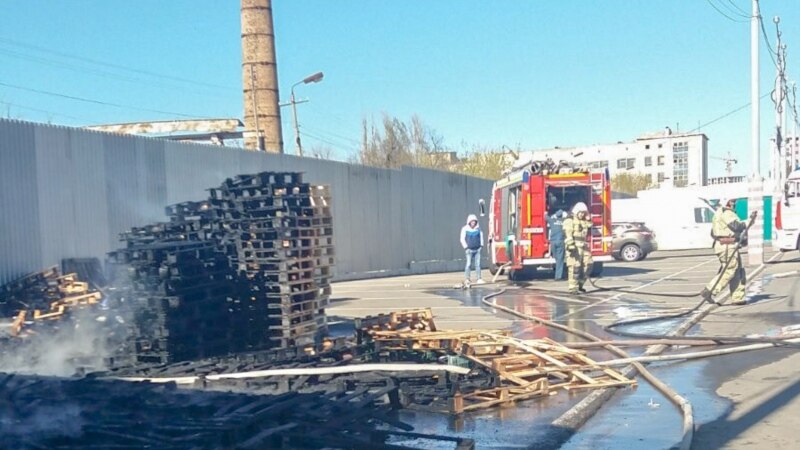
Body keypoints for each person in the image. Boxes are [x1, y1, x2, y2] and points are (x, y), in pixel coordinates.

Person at [702, 198, 756, 305]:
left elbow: (713, 233)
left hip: (726, 245)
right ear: (728, 202)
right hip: (727, 246)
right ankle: (710, 290)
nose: (734, 204)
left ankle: (738, 297)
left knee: (738, 270)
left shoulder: (718, 213)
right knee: (730, 269)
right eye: (732, 201)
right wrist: (750, 220)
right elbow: (737, 226)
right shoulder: (727, 213)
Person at [563, 202, 593, 294]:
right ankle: (573, 288)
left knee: (589, 265)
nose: (582, 214)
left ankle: (580, 285)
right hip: (575, 247)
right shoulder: (569, 220)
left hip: (584, 246)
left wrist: (588, 218)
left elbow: (590, 225)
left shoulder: (584, 220)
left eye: (584, 213)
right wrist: (571, 245)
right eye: (581, 212)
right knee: (574, 267)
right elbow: (568, 234)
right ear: (576, 211)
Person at [460, 214, 485, 285]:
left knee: (478, 264)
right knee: (468, 264)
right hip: (469, 250)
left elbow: (481, 237)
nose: (473, 222)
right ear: (469, 222)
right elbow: (462, 239)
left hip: (477, 250)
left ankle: (479, 278)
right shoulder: (465, 229)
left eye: (474, 221)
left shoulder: (478, 229)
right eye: (472, 221)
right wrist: (466, 248)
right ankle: (467, 279)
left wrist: (481, 246)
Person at [546, 209, 567, 280]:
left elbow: (545, 217)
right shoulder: (564, 221)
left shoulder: (552, 221)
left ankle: (559, 274)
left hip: (553, 242)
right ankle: (558, 276)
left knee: (557, 258)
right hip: (560, 241)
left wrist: (545, 213)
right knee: (560, 259)